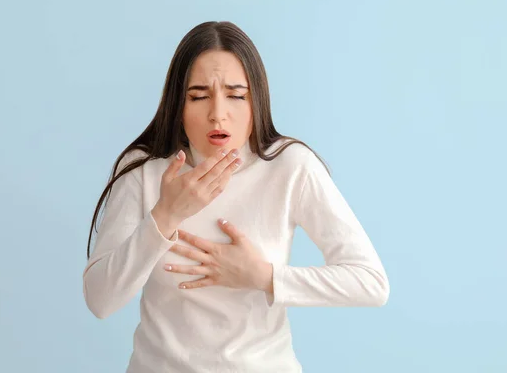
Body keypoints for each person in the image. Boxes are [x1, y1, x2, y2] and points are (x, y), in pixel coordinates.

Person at [82, 21, 390, 373]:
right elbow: (100, 299)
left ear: (257, 99)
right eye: (198, 96)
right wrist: (165, 215)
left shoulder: (290, 166)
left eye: (236, 95)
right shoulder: (144, 169)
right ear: (177, 104)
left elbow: (370, 282)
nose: (218, 113)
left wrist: (264, 277)